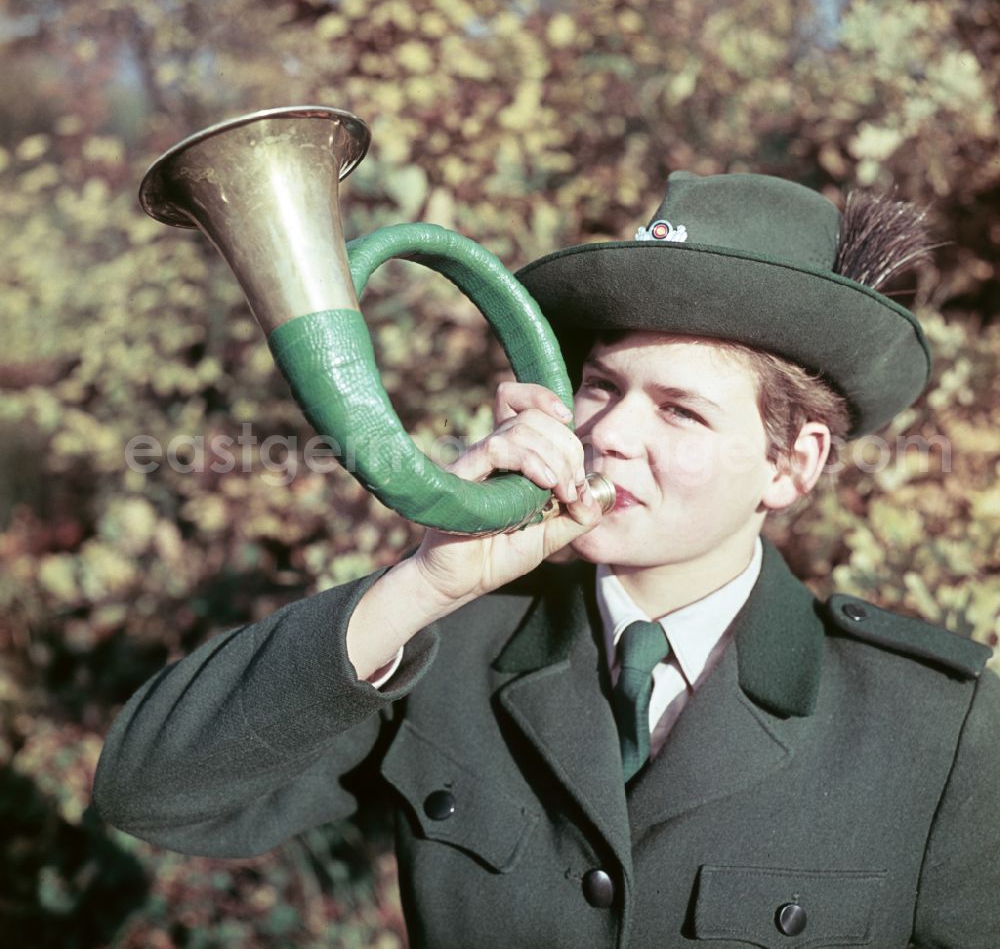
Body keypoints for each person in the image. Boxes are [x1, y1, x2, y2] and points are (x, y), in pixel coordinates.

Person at [93, 171, 1000, 948]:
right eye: (601, 387)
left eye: (680, 411)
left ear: (791, 465)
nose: (607, 433)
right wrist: (422, 583)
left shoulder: (935, 725)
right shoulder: (452, 642)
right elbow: (151, 794)